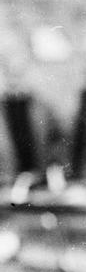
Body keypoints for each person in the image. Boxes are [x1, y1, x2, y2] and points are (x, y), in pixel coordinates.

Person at [0, 36, 66, 184]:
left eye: (18, 71)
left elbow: (58, 141)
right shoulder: (3, 107)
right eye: (9, 71)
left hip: (39, 179)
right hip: (7, 183)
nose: (14, 78)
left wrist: (54, 166)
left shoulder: (42, 107)